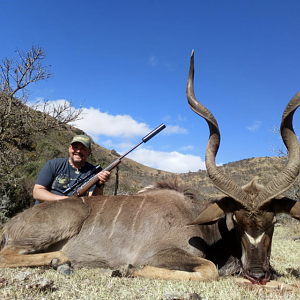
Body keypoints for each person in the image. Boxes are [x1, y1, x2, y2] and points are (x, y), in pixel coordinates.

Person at [33, 135, 110, 203]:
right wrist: (63, 200)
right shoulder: (53, 164)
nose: (78, 151)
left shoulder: (94, 172)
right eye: (75, 147)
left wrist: (100, 185)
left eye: (83, 148)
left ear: (89, 152)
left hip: (73, 213)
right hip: (44, 210)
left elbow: (93, 202)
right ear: (70, 148)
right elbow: (37, 192)